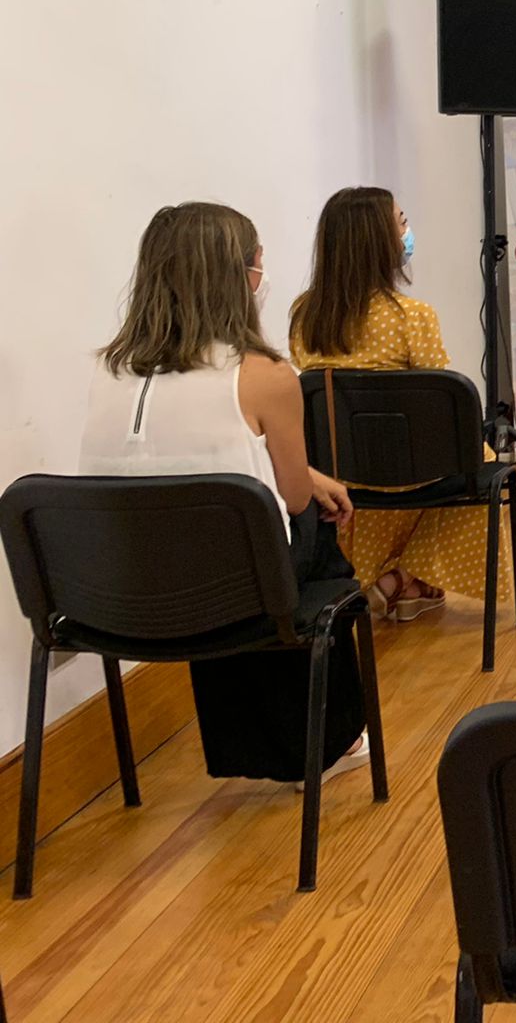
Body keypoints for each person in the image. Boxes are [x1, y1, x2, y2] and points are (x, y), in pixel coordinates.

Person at [80, 201, 370, 784]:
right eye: (259, 264)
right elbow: (291, 500)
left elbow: (171, 464)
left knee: (215, 539)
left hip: (120, 595)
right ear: (239, 277)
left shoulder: (111, 369)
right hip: (235, 592)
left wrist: (304, 476)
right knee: (314, 541)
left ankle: (254, 741)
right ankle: (323, 742)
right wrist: (309, 480)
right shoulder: (264, 374)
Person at [290, 186, 486, 622]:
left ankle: (405, 584)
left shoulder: (304, 315)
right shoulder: (411, 316)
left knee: (382, 457)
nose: (407, 231)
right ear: (379, 240)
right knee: (479, 457)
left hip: (338, 473)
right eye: (401, 222)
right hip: (411, 475)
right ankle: (398, 577)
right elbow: (442, 411)